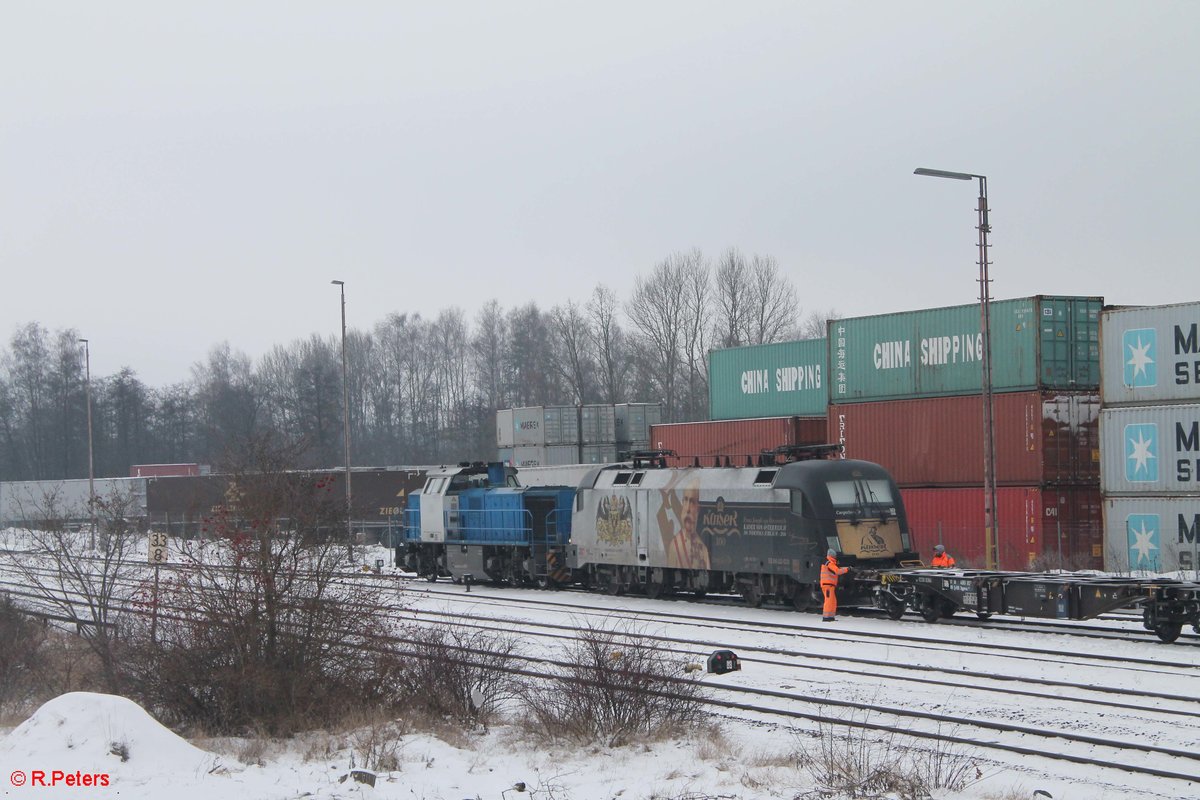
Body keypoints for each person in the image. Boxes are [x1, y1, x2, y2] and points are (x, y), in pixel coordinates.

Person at [661, 478, 710, 570]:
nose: (687, 509)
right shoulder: (675, 546)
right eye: (685, 500)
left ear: (698, 508)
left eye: (692, 502)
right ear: (682, 502)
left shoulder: (704, 550)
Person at [819, 548, 849, 621]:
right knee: (829, 601)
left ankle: (831, 616)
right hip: (828, 585)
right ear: (832, 555)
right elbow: (837, 571)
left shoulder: (830, 563)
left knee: (832, 601)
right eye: (835, 555)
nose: (836, 556)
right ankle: (826, 617)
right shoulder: (829, 563)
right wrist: (847, 569)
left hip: (830, 585)